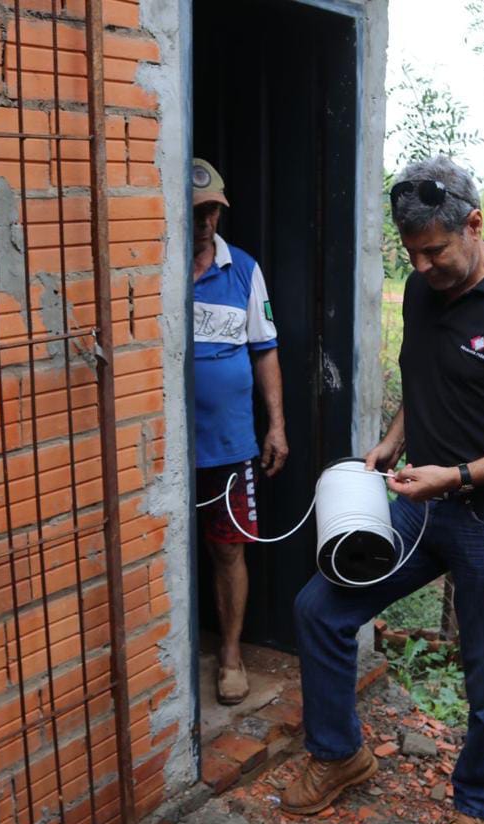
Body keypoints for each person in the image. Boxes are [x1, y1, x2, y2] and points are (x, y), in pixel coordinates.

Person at [284, 155, 484, 824]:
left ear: (473, 224)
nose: (419, 268)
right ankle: (338, 753)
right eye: (410, 253)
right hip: (424, 501)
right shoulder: (423, 291)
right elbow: (420, 377)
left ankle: (475, 805)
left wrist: (457, 474)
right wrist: (393, 439)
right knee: (320, 609)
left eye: (433, 252)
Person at [192, 158, 288, 704]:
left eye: (212, 210)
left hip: (229, 446)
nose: (204, 221)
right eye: (196, 210)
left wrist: (276, 425)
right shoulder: (154, 267)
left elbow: (265, 351)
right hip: (162, 448)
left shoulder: (245, 271)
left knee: (229, 551)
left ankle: (229, 654)